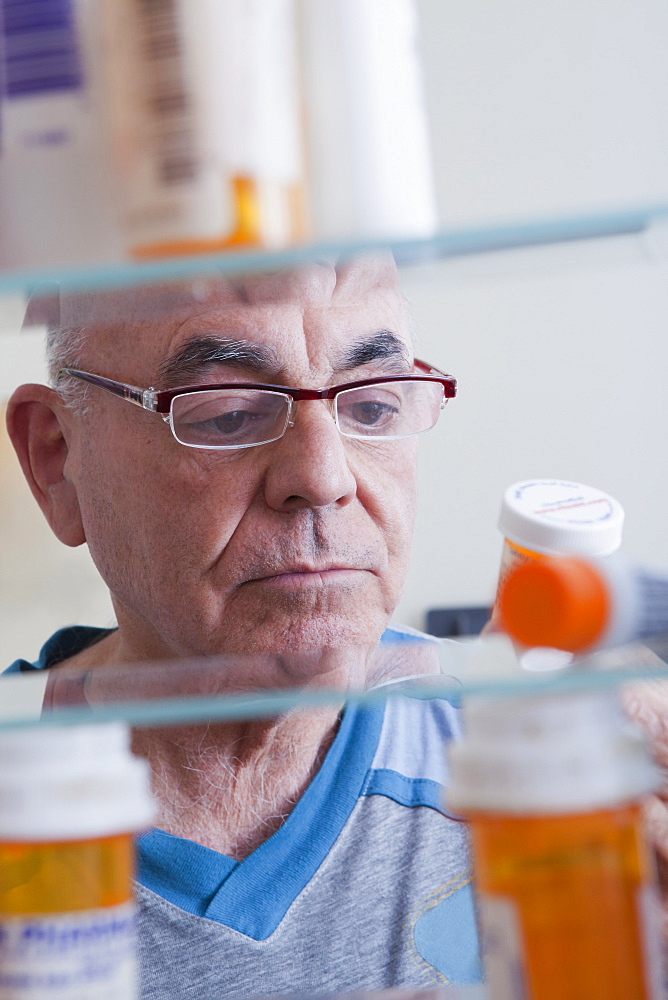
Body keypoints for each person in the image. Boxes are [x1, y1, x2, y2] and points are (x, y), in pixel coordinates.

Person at [3, 256, 483, 997]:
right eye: (226, 413)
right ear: (58, 460)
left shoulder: (540, 754)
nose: (325, 478)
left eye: (372, 407)